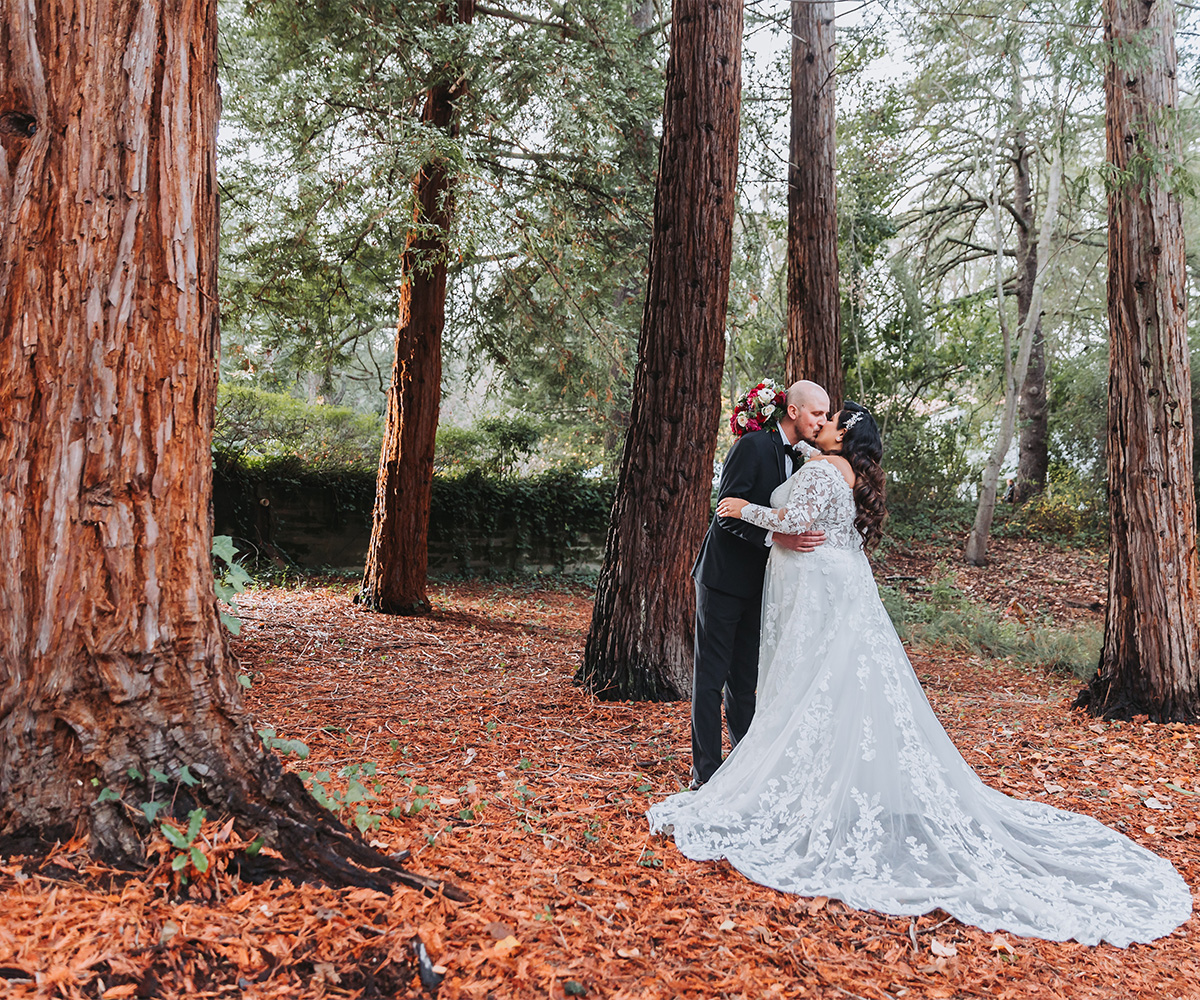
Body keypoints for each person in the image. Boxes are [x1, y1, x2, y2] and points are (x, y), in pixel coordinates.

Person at [649, 403, 1191, 946]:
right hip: (830, 588)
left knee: (807, 689)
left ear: (844, 433)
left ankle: (800, 790)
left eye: (831, 418)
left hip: (816, 590)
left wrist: (745, 509)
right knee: (824, 692)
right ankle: (816, 782)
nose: (823, 423)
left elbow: (793, 524)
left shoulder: (821, 470)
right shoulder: (846, 473)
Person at [689, 380, 830, 790]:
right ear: (793, 411)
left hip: (761, 585)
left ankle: (744, 769)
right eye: (816, 413)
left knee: (745, 682)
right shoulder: (752, 446)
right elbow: (726, 513)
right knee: (710, 679)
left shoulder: (804, 459)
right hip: (722, 580)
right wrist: (776, 538)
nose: (821, 421)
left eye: (825, 415)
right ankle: (706, 776)